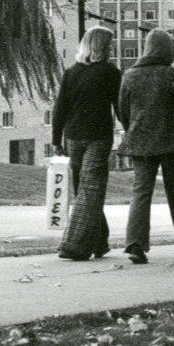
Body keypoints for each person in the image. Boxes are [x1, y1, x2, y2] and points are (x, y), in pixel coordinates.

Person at [118, 28, 174, 264]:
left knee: (141, 192)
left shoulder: (130, 76)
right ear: (168, 51)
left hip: (140, 143)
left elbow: (123, 113)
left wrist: (136, 127)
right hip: (171, 143)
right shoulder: (171, 74)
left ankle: (135, 244)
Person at [53, 26, 121, 261]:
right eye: (110, 44)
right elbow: (119, 106)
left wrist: (56, 140)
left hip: (72, 136)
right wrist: (130, 130)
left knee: (85, 189)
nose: (112, 48)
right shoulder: (110, 71)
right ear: (101, 45)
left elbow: (60, 108)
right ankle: (76, 246)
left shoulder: (72, 71)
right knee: (90, 190)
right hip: (98, 136)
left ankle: (99, 242)